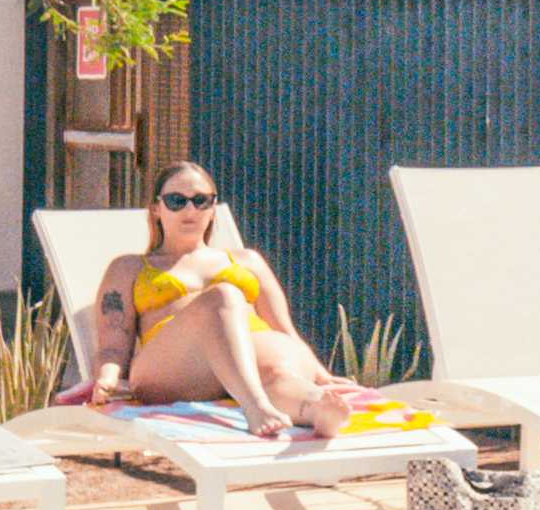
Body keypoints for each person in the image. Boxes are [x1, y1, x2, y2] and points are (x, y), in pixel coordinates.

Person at [74, 172, 368, 439]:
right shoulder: (129, 267)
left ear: (212, 208)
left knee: (281, 374)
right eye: (177, 201)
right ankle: (255, 406)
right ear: (156, 208)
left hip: (250, 357)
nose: (190, 210)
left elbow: (283, 328)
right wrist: (107, 378)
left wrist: (321, 375)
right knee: (224, 297)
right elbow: (113, 344)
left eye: (201, 201)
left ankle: (316, 409)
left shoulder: (247, 260)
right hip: (175, 367)